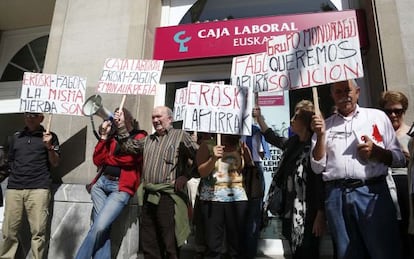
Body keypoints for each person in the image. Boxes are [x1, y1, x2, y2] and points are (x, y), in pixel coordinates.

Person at [311, 79, 406, 259]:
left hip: (372, 191)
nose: (344, 95)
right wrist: (321, 135)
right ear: (332, 95)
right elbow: (317, 166)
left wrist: (377, 153)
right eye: (338, 92)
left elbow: (400, 159)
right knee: (347, 253)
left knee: (383, 250)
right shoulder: (325, 126)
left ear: (358, 92)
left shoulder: (377, 117)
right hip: (336, 195)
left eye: (348, 90)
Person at [113, 106, 198, 259]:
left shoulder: (181, 136)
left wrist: (186, 176)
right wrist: (121, 127)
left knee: (169, 241)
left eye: (159, 116)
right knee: (149, 240)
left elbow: (200, 157)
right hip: (148, 195)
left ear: (170, 119)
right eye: (153, 117)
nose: (155, 120)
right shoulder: (149, 139)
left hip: (168, 196)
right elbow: (129, 147)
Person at [255, 100, 326, 258]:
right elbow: (272, 138)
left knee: (309, 252)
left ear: (307, 121)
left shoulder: (316, 147)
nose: (291, 120)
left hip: (309, 213)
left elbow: (320, 183)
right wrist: (259, 119)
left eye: (297, 116)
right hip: (289, 210)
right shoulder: (293, 143)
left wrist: (320, 214)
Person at [75, 108, 147, 259]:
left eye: (118, 116)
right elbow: (97, 160)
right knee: (103, 229)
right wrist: (103, 137)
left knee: (99, 226)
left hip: (120, 188)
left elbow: (131, 160)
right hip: (101, 185)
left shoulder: (140, 136)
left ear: (127, 118)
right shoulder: (112, 137)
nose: (115, 119)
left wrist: (109, 159)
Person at [0, 112, 60, 259]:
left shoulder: (50, 136)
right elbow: (9, 160)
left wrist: (49, 147)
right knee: (9, 231)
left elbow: (56, 162)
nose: (30, 118)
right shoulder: (16, 136)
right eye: (27, 115)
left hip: (38, 188)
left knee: (38, 231)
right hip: (15, 188)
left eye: (34, 115)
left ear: (41, 118)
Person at [196, 134, 253, 258]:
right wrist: (213, 159)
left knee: (237, 245)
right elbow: (202, 172)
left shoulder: (240, 145)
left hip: (238, 198)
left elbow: (249, 167)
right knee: (213, 245)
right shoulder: (208, 145)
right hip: (212, 199)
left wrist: (247, 154)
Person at [379, 91, 413, 258]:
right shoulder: (378, 134)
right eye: (388, 111)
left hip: (407, 188)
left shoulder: (411, 133)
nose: (393, 115)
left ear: (404, 111)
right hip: (384, 186)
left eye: (397, 111)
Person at [241, 107, 270, 258]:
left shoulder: (257, 130)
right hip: (236, 169)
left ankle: (249, 253)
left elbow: (264, 154)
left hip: (253, 170)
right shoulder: (231, 131)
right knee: (237, 213)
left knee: (253, 213)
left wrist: (258, 118)